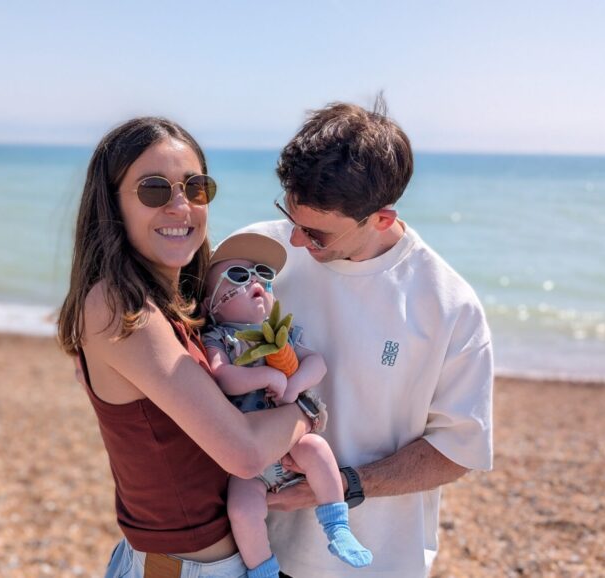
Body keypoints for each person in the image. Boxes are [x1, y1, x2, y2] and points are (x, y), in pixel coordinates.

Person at [237, 98, 494, 578]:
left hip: (371, 562)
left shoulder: (448, 305)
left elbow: (457, 451)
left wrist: (341, 485)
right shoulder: (254, 258)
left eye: (317, 234)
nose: (296, 241)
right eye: (290, 216)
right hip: (249, 550)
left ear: (381, 217)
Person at [57, 117, 317, 578]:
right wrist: (307, 412)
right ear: (112, 205)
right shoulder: (121, 307)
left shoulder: (177, 304)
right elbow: (245, 453)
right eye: (154, 190)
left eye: (195, 188)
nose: (181, 206)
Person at [201, 232, 373, 577]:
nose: (255, 281)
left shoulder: (280, 335)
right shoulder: (220, 337)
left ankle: (337, 525)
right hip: (246, 460)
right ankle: (263, 569)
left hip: (290, 445)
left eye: (263, 275)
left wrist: (294, 385)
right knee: (242, 510)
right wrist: (264, 378)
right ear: (210, 304)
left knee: (319, 452)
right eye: (237, 275)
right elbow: (222, 376)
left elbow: (317, 363)